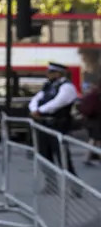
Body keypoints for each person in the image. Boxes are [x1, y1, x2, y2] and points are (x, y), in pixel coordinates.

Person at [29, 62, 80, 193]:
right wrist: (35, 109)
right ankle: (51, 185)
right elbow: (36, 98)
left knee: (62, 157)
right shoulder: (48, 86)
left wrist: (40, 111)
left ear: (58, 73)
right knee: (45, 156)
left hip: (58, 125)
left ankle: (75, 187)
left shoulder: (67, 87)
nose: (47, 74)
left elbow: (58, 102)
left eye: (50, 72)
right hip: (44, 124)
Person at [77, 79, 101, 165]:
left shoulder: (91, 95)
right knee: (94, 139)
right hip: (96, 121)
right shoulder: (96, 96)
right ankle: (87, 157)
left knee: (95, 139)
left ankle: (91, 156)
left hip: (91, 121)